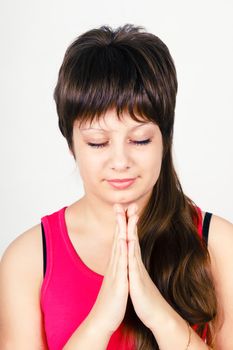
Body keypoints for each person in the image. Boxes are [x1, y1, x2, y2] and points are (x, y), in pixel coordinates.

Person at [0, 23, 233, 350]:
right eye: (97, 143)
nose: (120, 160)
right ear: (71, 145)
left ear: (164, 138)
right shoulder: (27, 260)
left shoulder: (220, 245)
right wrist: (101, 321)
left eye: (140, 139)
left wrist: (159, 315)